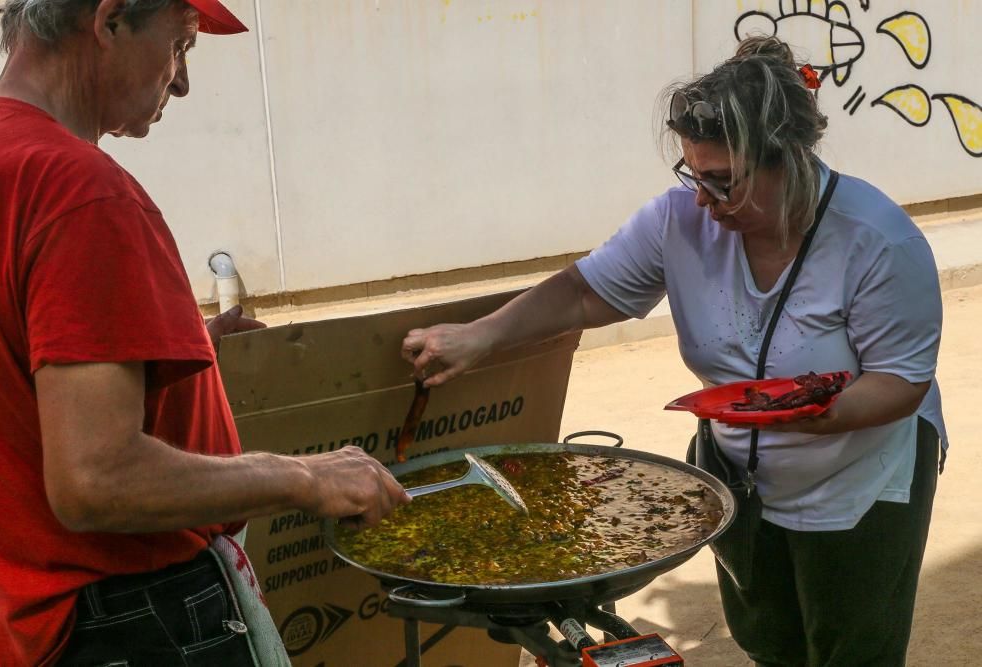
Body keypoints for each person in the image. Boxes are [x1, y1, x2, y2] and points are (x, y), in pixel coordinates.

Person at [402, 37, 945, 666]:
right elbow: (582, 293)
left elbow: (899, 382)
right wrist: (479, 336)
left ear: (789, 160)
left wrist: (812, 414)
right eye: (692, 175)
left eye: (723, 182)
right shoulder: (678, 222)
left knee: (854, 650)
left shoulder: (878, 242)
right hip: (744, 474)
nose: (702, 201)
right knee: (772, 644)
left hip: (860, 478)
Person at [0, 1, 409, 664]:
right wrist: (298, 475)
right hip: (125, 618)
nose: (180, 82)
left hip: (18, 618)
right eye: (181, 46)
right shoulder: (78, 189)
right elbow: (94, 477)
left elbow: (11, 370)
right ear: (111, 18)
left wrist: (177, 343)